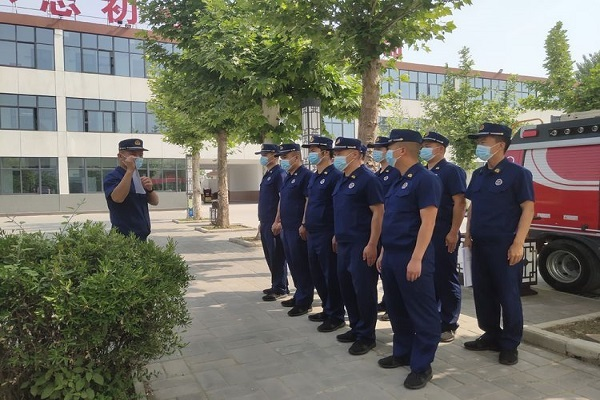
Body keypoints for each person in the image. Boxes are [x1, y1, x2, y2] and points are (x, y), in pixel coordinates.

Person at [463, 123, 535, 366]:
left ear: (500, 145)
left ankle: (510, 343)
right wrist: (468, 234)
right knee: (483, 293)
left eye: (484, 142)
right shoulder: (479, 174)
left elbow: (528, 209)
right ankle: (491, 335)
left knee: (508, 295)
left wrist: (518, 243)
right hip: (480, 244)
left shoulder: (518, 174)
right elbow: (473, 206)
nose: (479, 146)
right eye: (479, 142)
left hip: (504, 246)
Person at [376, 129, 442, 390]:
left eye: (389, 148)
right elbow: (391, 220)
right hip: (392, 255)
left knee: (422, 312)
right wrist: (384, 252)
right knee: (397, 308)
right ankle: (402, 352)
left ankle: (422, 366)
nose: (385, 152)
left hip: (412, 256)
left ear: (401, 150)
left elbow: (428, 222)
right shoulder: (397, 180)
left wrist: (416, 258)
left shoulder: (426, 179)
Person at [332, 137, 384, 356]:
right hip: (344, 243)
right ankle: (356, 327)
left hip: (361, 244)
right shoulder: (342, 179)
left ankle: (367, 336)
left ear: (354, 154)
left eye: (339, 153)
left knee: (363, 291)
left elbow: (378, 213)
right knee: (347, 289)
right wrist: (336, 235)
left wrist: (372, 244)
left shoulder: (368, 179)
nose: (335, 157)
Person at [421, 132, 467, 343]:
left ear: (440, 148)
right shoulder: (422, 171)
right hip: (425, 232)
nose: (424, 149)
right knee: (429, 278)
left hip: (443, 231)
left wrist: (453, 231)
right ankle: (433, 319)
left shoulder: (451, 171)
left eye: (428, 145)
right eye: (423, 145)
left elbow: (460, 202)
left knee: (446, 277)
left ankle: (449, 323)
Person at [301, 135, 346, 332]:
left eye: (313, 151)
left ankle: (336, 315)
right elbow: (309, 201)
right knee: (317, 274)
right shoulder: (314, 176)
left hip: (327, 232)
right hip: (312, 231)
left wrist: (336, 232)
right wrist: (304, 223)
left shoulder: (335, 175)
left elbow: (338, 206)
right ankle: (327, 309)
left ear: (325, 153)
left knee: (330, 275)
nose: (310, 154)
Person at [272, 143, 314, 317]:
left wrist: (304, 223)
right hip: (286, 227)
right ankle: (299, 294)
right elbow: (282, 199)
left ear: (296, 157)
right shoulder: (288, 176)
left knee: (301, 264)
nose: (282, 160)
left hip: (297, 228)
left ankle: (305, 301)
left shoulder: (306, 175)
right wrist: (278, 220)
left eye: (285, 157)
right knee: (293, 264)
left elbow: (308, 201)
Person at [367, 135, 401, 321]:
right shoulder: (377, 174)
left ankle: (391, 305)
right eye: (375, 149)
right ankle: (386, 301)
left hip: (390, 225)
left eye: (380, 149)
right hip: (378, 227)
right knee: (381, 269)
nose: (376, 152)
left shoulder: (395, 173)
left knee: (389, 269)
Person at [103, 138, 159, 241]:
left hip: (141, 238)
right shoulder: (113, 177)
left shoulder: (137, 177)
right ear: (120, 156)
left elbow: (155, 202)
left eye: (140, 155)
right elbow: (117, 198)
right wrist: (129, 170)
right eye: (133, 154)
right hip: (123, 239)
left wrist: (150, 189)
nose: (137, 158)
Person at [256, 144, 289, 301]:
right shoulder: (268, 174)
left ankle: (280, 288)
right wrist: (262, 222)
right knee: (270, 255)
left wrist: (278, 220)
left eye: (265, 154)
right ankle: (276, 283)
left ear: (275, 155)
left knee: (277, 256)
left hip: (273, 222)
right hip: (265, 221)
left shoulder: (280, 174)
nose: (262, 157)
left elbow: (282, 199)